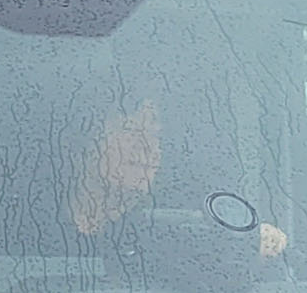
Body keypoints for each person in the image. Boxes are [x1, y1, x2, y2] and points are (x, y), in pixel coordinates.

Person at [69, 101, 290, 259]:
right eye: (130, 130)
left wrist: (254, 245)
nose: (147, 147)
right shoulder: (49, 228)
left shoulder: (177, 228)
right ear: (90, 142)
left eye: (155, 136)